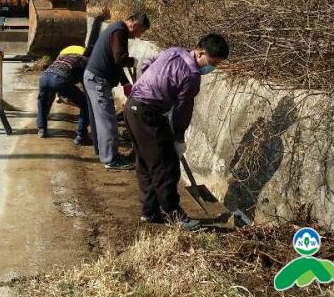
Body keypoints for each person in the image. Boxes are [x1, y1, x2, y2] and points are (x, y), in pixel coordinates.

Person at [123, 33, 229, 230]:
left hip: (132, 108)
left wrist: (152, 86)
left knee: (146, 163)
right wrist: (178, 136)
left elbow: (148, 63)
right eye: (213, 62)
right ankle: (174, 215)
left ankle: (150, 211)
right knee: (166, 166)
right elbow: (183, 110)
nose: (214, 67)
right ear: (200, 53)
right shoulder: (192, 76)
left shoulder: (174, 51)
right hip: (148, 114)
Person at [84, 12, 150, 170]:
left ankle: (104, 153)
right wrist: (133, 61)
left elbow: (115, 63)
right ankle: (111, 160)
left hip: (94, 78)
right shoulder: (119, 31)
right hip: (98, 80)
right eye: (141, 31)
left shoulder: (116, 29)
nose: (139, 35)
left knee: (101, 119)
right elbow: (119, 59)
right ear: (134, 25)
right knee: (107, 121)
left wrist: (126, 83)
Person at [37, 51, 90, 145]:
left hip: (44, 77)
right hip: (60, 80)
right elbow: (85, 83)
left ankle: (41, 129)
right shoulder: (86, 62)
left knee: (42, 101)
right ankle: (81, 136)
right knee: (86, 104)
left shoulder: (67, 56)